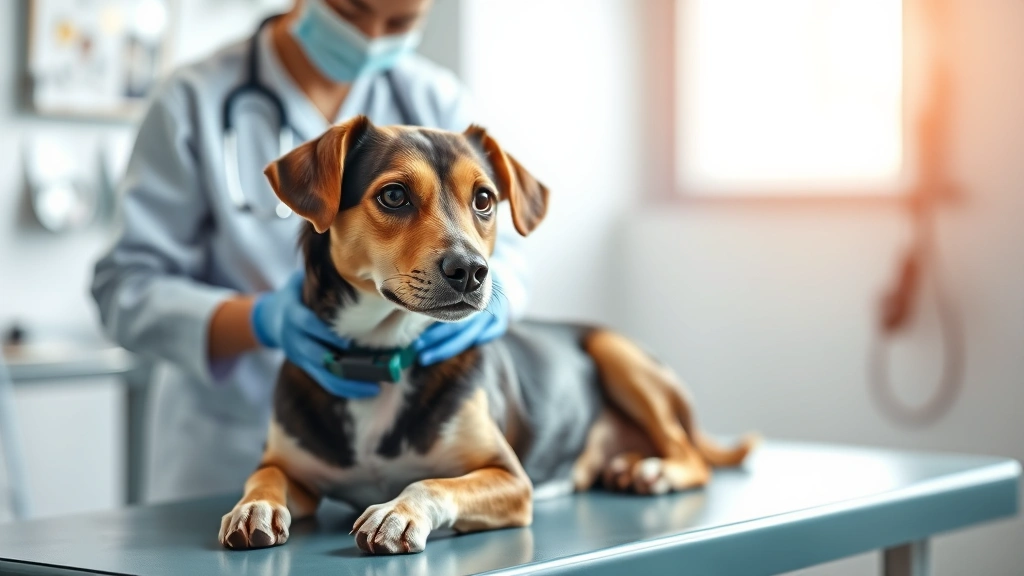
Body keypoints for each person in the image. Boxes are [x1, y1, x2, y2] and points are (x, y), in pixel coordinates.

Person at [91, 0, 528, 503]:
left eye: (401, 23)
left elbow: (504, 247)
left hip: (414, 449)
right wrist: (262, 321)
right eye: (353, 10)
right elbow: (123, 288)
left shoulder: (434, 98)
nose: (373, 34)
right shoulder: (193, 99)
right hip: (230, 445)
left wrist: (491, 305)